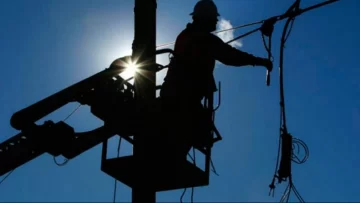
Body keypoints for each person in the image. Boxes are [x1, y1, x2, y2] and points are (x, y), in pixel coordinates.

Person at [158, 0, 273, 161]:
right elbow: (230, 56)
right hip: (184, 97)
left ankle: (170, 157)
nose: (216, 21)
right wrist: (260, 61)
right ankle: (172, 159)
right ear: (206, 18)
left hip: (175, 94)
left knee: (194, 128)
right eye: (214, 18)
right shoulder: (202, 38)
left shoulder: (187, 35)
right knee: (197, 128)